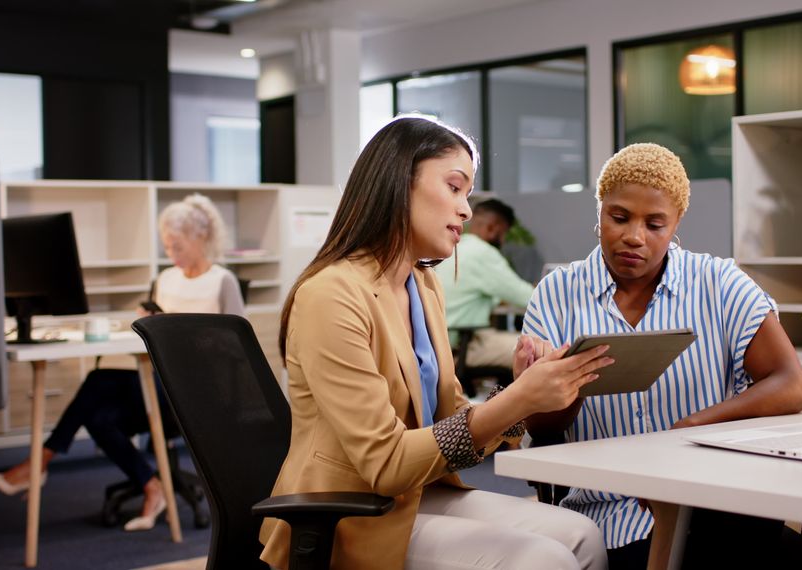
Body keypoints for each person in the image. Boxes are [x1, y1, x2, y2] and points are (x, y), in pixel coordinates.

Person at [259, 116, 612, 570]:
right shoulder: (330, 294)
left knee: (581, 533)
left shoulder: (422, 287)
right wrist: (518, 400)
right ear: (398, 183)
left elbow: (449, 417)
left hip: (414, 495)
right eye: (454, 187)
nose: (466, 210)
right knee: (541, 559)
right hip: (348, 515)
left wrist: (518, 397)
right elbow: (385, 465)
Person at [523, 143, 802, 569]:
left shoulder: (718, 282)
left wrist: (692, 427)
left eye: (655, 224)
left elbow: (790, 385)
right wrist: (563, 385)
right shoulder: (557, 293)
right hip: (610, 518)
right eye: (618, 217)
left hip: (712, 504)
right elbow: (541, 428)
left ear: (676, 223)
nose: (634, 236)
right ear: (599, 211)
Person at [0, 193, 244, 532]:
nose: (171, 255)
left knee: (98, 382)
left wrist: (182, 329)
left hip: (198, 392)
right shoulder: (166, 279)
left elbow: (239, 348)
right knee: (97, 414)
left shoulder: (222, 280)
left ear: (201, 239)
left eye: (177, 246)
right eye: (166, 247)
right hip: (160, 381)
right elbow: (155, 341)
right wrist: (151, 324)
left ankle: (39, 464)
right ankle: (152, 485)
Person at [436, 198, 535, 369]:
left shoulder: (457, 247)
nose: (503, 241)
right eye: (503, 233)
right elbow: (528, 298)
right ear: (492, 227)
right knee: (534, 349)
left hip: (441, 343)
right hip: (464, 345)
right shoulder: (483, 253)